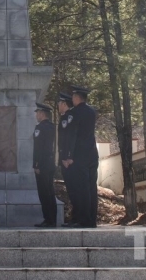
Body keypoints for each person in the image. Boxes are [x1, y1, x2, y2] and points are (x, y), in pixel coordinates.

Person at [63, 85, 98, 228]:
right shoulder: (92, 111)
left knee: (81, 188)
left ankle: (82, 219)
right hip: (92, 153)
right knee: (91, 188)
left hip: (79, 155)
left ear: (77, 98)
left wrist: (69, 155)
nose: (72, 99)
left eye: (73, 96)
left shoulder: (74, 113)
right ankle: (91, 219)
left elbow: (72, 134)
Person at [33, 102, 57, 227]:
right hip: (50, 162)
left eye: (37, 113)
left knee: (44, 193)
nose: (36, 115)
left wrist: (36, 164)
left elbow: (38, 148)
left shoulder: (40, 128)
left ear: (42, 114)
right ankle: (53, 218)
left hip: (42, 164)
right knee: (50, 192)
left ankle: (48, 219)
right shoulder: (52, 127)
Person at [57, 91, 79, 227]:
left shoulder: (69, 117)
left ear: (64, 104)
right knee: (71, 190)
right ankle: (75, 217)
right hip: (65, 159)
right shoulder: (65, 117)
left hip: (68, 161)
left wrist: (67, 157)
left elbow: (69, 138)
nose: (58, 105)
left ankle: (77, 218)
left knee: (74, 190)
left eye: (59, 103)